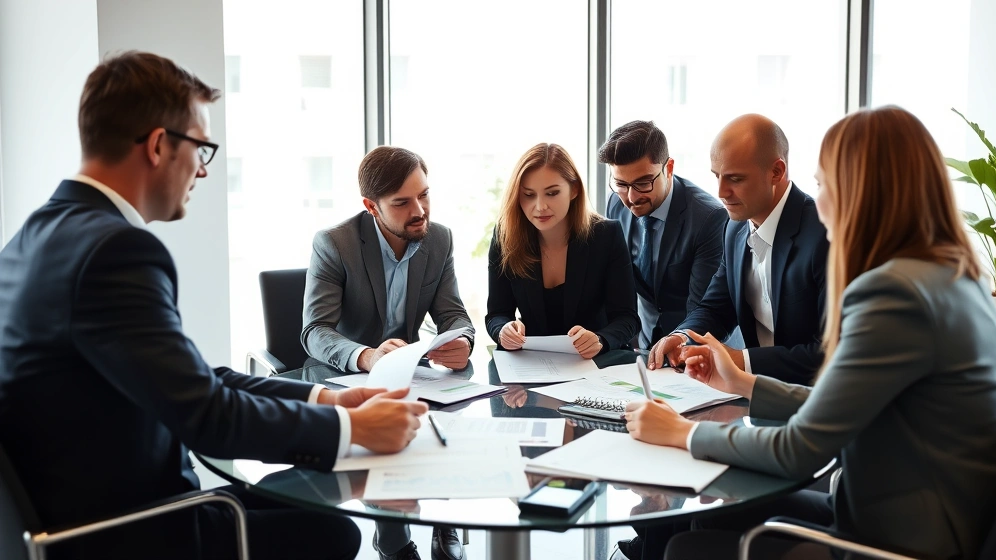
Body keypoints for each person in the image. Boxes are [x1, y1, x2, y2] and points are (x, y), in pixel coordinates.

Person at [0, 51, 428, 560]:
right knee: (333, 533)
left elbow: (198, 379)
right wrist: (355, 429)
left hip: (86, 507)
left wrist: (327, 401)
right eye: (201, 149)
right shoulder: (116, 252)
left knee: (320, 507)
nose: (202, 172)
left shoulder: (35, 236)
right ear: (159, 145)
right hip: (129, 529)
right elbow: (207, 416)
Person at [625, 106, 996, 560]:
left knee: (689, 548)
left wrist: (682, 433)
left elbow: (800, 450)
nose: (819, 201)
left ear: (862, 193)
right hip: (927, 513)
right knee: (710, 512)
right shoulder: (947, 275)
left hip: (900, 542)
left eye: (823, 184)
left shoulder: (893, 294)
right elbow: (845, 404)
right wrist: (745, 384)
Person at [301, 145, 474, 560]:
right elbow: (314, 331)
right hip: (350, 378)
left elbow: (455, 315)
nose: (420, 210)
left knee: (446, 426)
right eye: (402, 202)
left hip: (414, 374)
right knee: (390, 435)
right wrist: (367, 356)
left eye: (424, 195)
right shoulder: (334, 244)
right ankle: (393, 539)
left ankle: (442, 525)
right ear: (371, 207)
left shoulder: (439, 238)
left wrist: (460, 342)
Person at [649, 114, 829, 386]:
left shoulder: (825, 235)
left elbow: (829, 352)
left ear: (776, 172)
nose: (721, 192)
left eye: (735, 179)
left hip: (815, 398)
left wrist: (738, 360)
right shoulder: (733, 228)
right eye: (716, 176)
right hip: (756, 397)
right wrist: (683, 336)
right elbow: (717, 307)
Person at [486, 143, 640, 357]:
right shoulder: (505, 237)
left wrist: (601, 339)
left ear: (574, 189)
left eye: (552, 193)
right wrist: (503, 330)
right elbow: (497, 314)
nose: (540, 206)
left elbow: (627, 318)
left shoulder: (606, 235)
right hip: (532, 363)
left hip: (595, 365)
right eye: (529, 195)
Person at [601, 120, 728, 349]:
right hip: (643, 344)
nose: (631, 197)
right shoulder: (616, 203)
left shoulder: (708, 218)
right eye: (621, 183)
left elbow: (705, 309)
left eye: (643, 183)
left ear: (668, 169)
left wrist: (679, 344)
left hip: (697, 347)